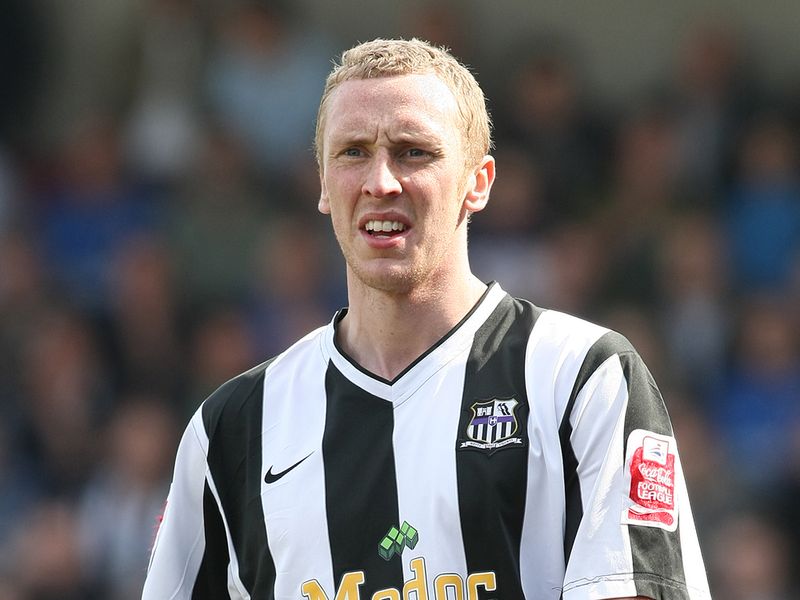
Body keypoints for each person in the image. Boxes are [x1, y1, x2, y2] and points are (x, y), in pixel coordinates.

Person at [142, 38, 712, 600]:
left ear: (478, 182)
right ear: (322, 184)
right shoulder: (232, 428)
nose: (380, 182)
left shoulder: (583, 377)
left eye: (413, 152)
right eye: (353, 152)